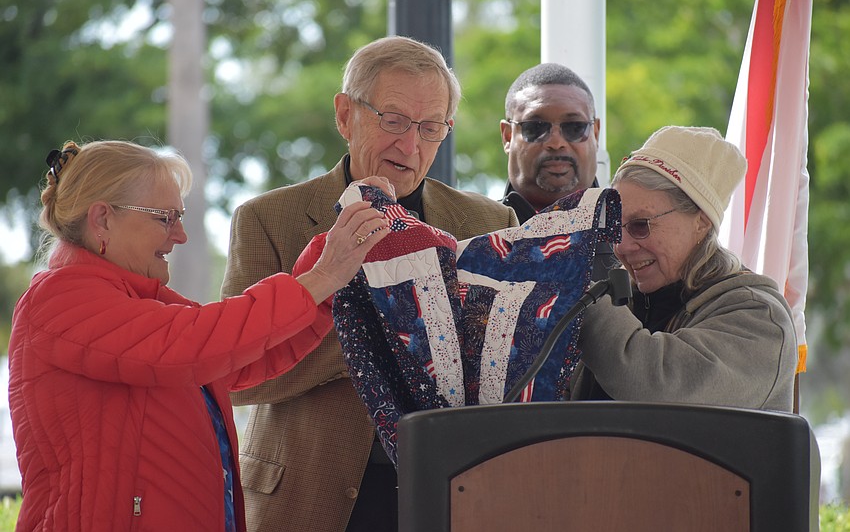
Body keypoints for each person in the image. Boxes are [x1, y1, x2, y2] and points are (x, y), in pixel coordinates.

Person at [8, 140, 390, 531]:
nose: (181, 236)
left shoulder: (140, 305)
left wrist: (334, 259)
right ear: (102, 219)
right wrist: (321, 277)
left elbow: (245, 352)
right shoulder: (58, 299)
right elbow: (194, 343)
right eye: (165, 218)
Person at [222, 35, 518, 532]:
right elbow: (239, 372)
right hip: (306, 497)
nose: (411, 146)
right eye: (394, 121)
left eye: (431, 128)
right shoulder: (267, 219)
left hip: (453, 495)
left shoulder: (488, 220)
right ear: (344, 115)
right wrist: (378, 339)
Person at [569, 126, 797, 412]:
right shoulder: (624, 305)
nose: (622, 247)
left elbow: (662, 387)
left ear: (701, 221)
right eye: (614, 230)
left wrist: (582, 304)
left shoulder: (759, 317)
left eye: (641, 226)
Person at [500, 63, 618, 280]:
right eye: (535, 127)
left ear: (596, 133)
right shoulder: (468, 235)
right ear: (507, 136)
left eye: (574, 127)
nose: (556, 142)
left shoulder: (636, 238)